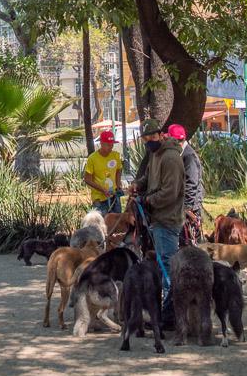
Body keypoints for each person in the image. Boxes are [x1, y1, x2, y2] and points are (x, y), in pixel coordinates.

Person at [135, 118, 185, 329]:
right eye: (146, 140)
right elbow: (147, 177)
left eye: (152, 138)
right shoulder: (155, 154)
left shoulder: (171, 158)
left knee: (168, 266)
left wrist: (148, 200)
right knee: (164, 263)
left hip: (167, 219)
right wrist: (138, 186)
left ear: (161, 135)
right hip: (157, 219)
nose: (149, 142)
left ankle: (170, 315)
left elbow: (170, 193)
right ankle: (166, 312)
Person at [167, 124, 204, 246]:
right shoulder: (181, 155)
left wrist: (186, 207)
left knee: (189, 245)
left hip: (190, 208)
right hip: (183, 207)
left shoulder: (189, 157)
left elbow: (191, 184)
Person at [83, 130, 123, 214]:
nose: (111, 147)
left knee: (117, 222)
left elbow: (119, 169)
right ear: (101, 143)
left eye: (112, 144)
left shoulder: (116, 155)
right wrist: (102, 190)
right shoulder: (92, 158)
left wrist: (118, 184)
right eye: (108, 144)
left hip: (114, 196)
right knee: (101, 224)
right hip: (99, 199)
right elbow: (87, 179)